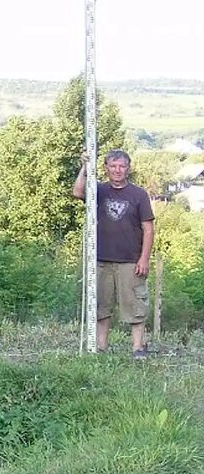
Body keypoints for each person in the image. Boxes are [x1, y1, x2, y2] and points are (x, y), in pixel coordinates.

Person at [72, 149, 155, 358]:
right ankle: (101, 347)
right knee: (101, 306)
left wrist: (144, 258)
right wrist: (85, 167)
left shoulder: (138, 195)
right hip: (100, 260)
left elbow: (148, 229)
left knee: (135, 305)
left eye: (122, 166)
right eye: (113, 166)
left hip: (130, 260)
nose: (117, 170)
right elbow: (78, 192)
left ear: (128, 168)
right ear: (106, 168)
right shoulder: (98, 190)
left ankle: (138, 348)